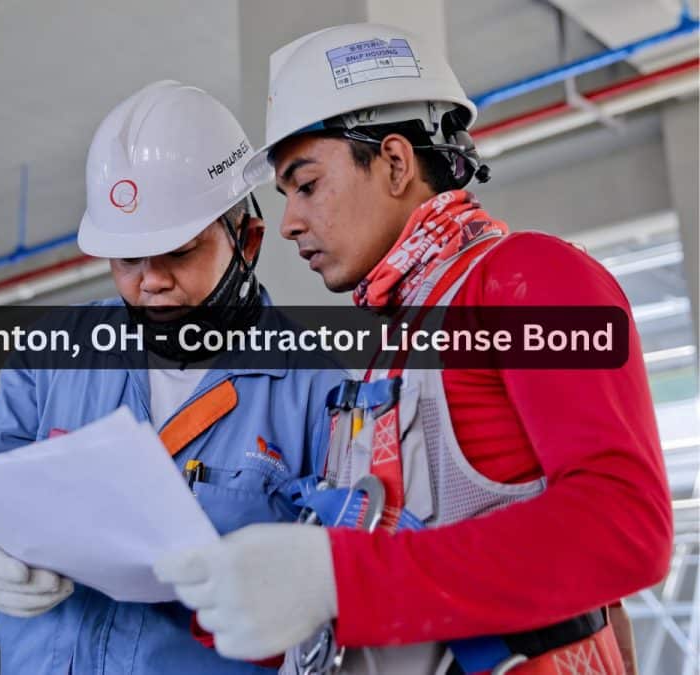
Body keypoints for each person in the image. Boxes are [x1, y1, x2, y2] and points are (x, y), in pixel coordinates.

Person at [155, 24, 672, 675]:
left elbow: (624, 528)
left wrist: (339, 579)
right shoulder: (396, 354)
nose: (288, 223)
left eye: (306, 185)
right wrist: (245, 596)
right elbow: (391, 574)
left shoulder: (531, 279)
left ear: (396, 163)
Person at [0, 80, 348, 674]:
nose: (149, 281)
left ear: (248, 241)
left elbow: (346, 576)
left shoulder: (316, 391)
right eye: (128, 259)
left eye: (179, 251)